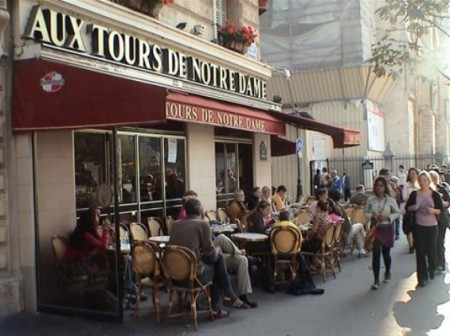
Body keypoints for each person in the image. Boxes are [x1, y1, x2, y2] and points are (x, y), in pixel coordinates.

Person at [169, 198, 250, 318]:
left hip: (173, 276)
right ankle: (223, 301)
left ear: (186, 211)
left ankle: (225, 299)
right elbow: (211, 255)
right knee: (217, 263)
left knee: (217, 262)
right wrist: (218, 249)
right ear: (201, 210)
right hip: (192, 277)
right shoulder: (202, 224)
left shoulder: (175, 225)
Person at [405, 171, 443, 288]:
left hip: (432, 226)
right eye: (420, 180)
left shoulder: (435, 195)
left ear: (428, 181)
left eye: (425, 180)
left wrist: (433, 211)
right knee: (420, 252)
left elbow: (440, 210)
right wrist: (414, 207)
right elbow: (407, 208)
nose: (422, 182)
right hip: (419, 226)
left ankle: (431, 267)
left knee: (431, 252)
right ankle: (422, 278)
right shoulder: (414, 195)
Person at [365, 177, 400, 290]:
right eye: (377, 186)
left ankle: (388, 271)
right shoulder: (371, 199)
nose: (379, 188)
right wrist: (372, 216)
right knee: (376, 253)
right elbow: (366, 212)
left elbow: (397, 212)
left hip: (387, 228)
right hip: (376, 228)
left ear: (385, 187)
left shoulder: (390, 200)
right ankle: (376, 280)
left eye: (381, 186)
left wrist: (388, 217)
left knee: (386, 253)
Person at [328, 189, 367, 257]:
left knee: (356, 231)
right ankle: (365, 243)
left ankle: (361, 249)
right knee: (360, 225)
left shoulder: (331, 207)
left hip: (336, 234)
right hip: (345, 234)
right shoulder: (339, 208)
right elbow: (347, 226)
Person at [428, 170, 450, 273]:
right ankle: (434, 263)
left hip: (441, 218)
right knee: (432, 242)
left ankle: (440, 264)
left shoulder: (442, 189)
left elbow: (448, 203)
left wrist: (440, 202)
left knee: (439, 241)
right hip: (429, 219)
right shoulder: (425, 191)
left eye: (433, 178)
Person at [403, 167, 420, 253]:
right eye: (411, 173)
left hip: (418, 208)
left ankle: (415, 241)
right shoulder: (406, 185)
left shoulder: (419, 184)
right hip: (409, 208)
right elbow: (404, 197)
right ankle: (411, 245)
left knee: (416, 227)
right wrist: (412, 197)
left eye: (414, 173)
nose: (412, 175)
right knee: (408, 226)